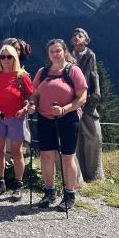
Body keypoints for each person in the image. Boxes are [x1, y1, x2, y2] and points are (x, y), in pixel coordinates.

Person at [28, 38, 87, 211]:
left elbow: (82, 97)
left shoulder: (73, 70)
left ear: (64, 52)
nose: (55, 54)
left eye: (58, 51)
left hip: (68, 119)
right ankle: (49, 192)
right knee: (46, 155)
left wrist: (65, 109)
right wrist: (32, 104)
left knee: (67, 158)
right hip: (45, 118)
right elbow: (34, 93)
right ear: (48, 54)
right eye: (52, 51)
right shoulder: (43, 72)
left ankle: (69, 194)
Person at [0, 45, 33, 200]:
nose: (5, 60)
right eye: (2, 57)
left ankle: (19, 184)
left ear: (15, 58)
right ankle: (0, 182)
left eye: (9, 56)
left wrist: (25, 110)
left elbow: (31, 98)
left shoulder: (21, 76)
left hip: (16, 119)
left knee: (17, 152)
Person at [71, 28, 104, 182]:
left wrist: (96, 92)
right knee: (75, 137)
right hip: (72, 99)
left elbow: (94, 73)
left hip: (88, 98)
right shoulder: (68, 56)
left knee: (94, 134)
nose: (76, 38)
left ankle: (95, 173)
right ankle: (78, 174)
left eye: (80, 35)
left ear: (87, 40)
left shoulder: (90, 54)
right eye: (74, 36)